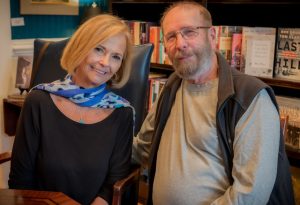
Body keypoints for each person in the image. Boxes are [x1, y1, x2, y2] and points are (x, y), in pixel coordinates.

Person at [132, 2, 294, 205]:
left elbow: (249, 196)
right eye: (171, 36)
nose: (180, 43)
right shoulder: (172, 86)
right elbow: (142, 149)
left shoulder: (249, 97)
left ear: (212, 36)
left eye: (189, 32)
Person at [9, 14, 134, 205]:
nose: (106, 63)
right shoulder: (38, 101)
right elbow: (20, 179)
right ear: (80, 48)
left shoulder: (122, 112)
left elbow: (113, 183)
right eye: (99, 49)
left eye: (116, 56)